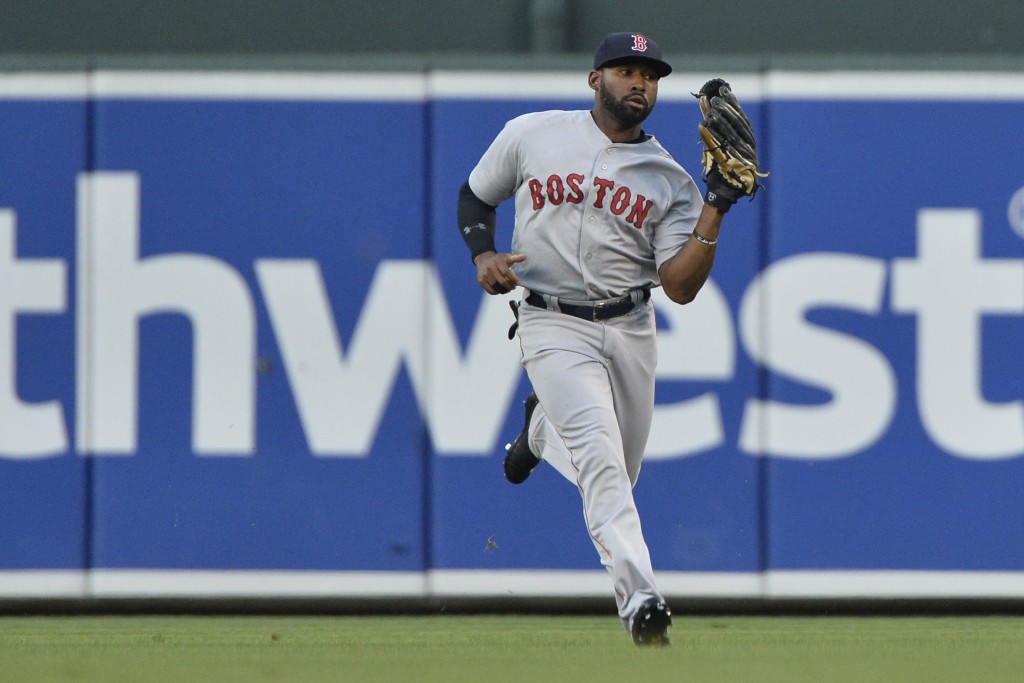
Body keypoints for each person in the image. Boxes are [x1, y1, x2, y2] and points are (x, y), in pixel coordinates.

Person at [456, 31, 746, 647]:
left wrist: (715, 208)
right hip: (550, 319)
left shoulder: (669, 179)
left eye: (650, 73)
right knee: (604, 468)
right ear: (595, 80)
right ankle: (641, 598)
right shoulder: (533, 134)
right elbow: (475, 196)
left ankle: (541, 432)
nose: (639, 81)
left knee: (618, 471)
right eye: (625, 69)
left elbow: (681, 287)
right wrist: (482, 253)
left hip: (630, 326)